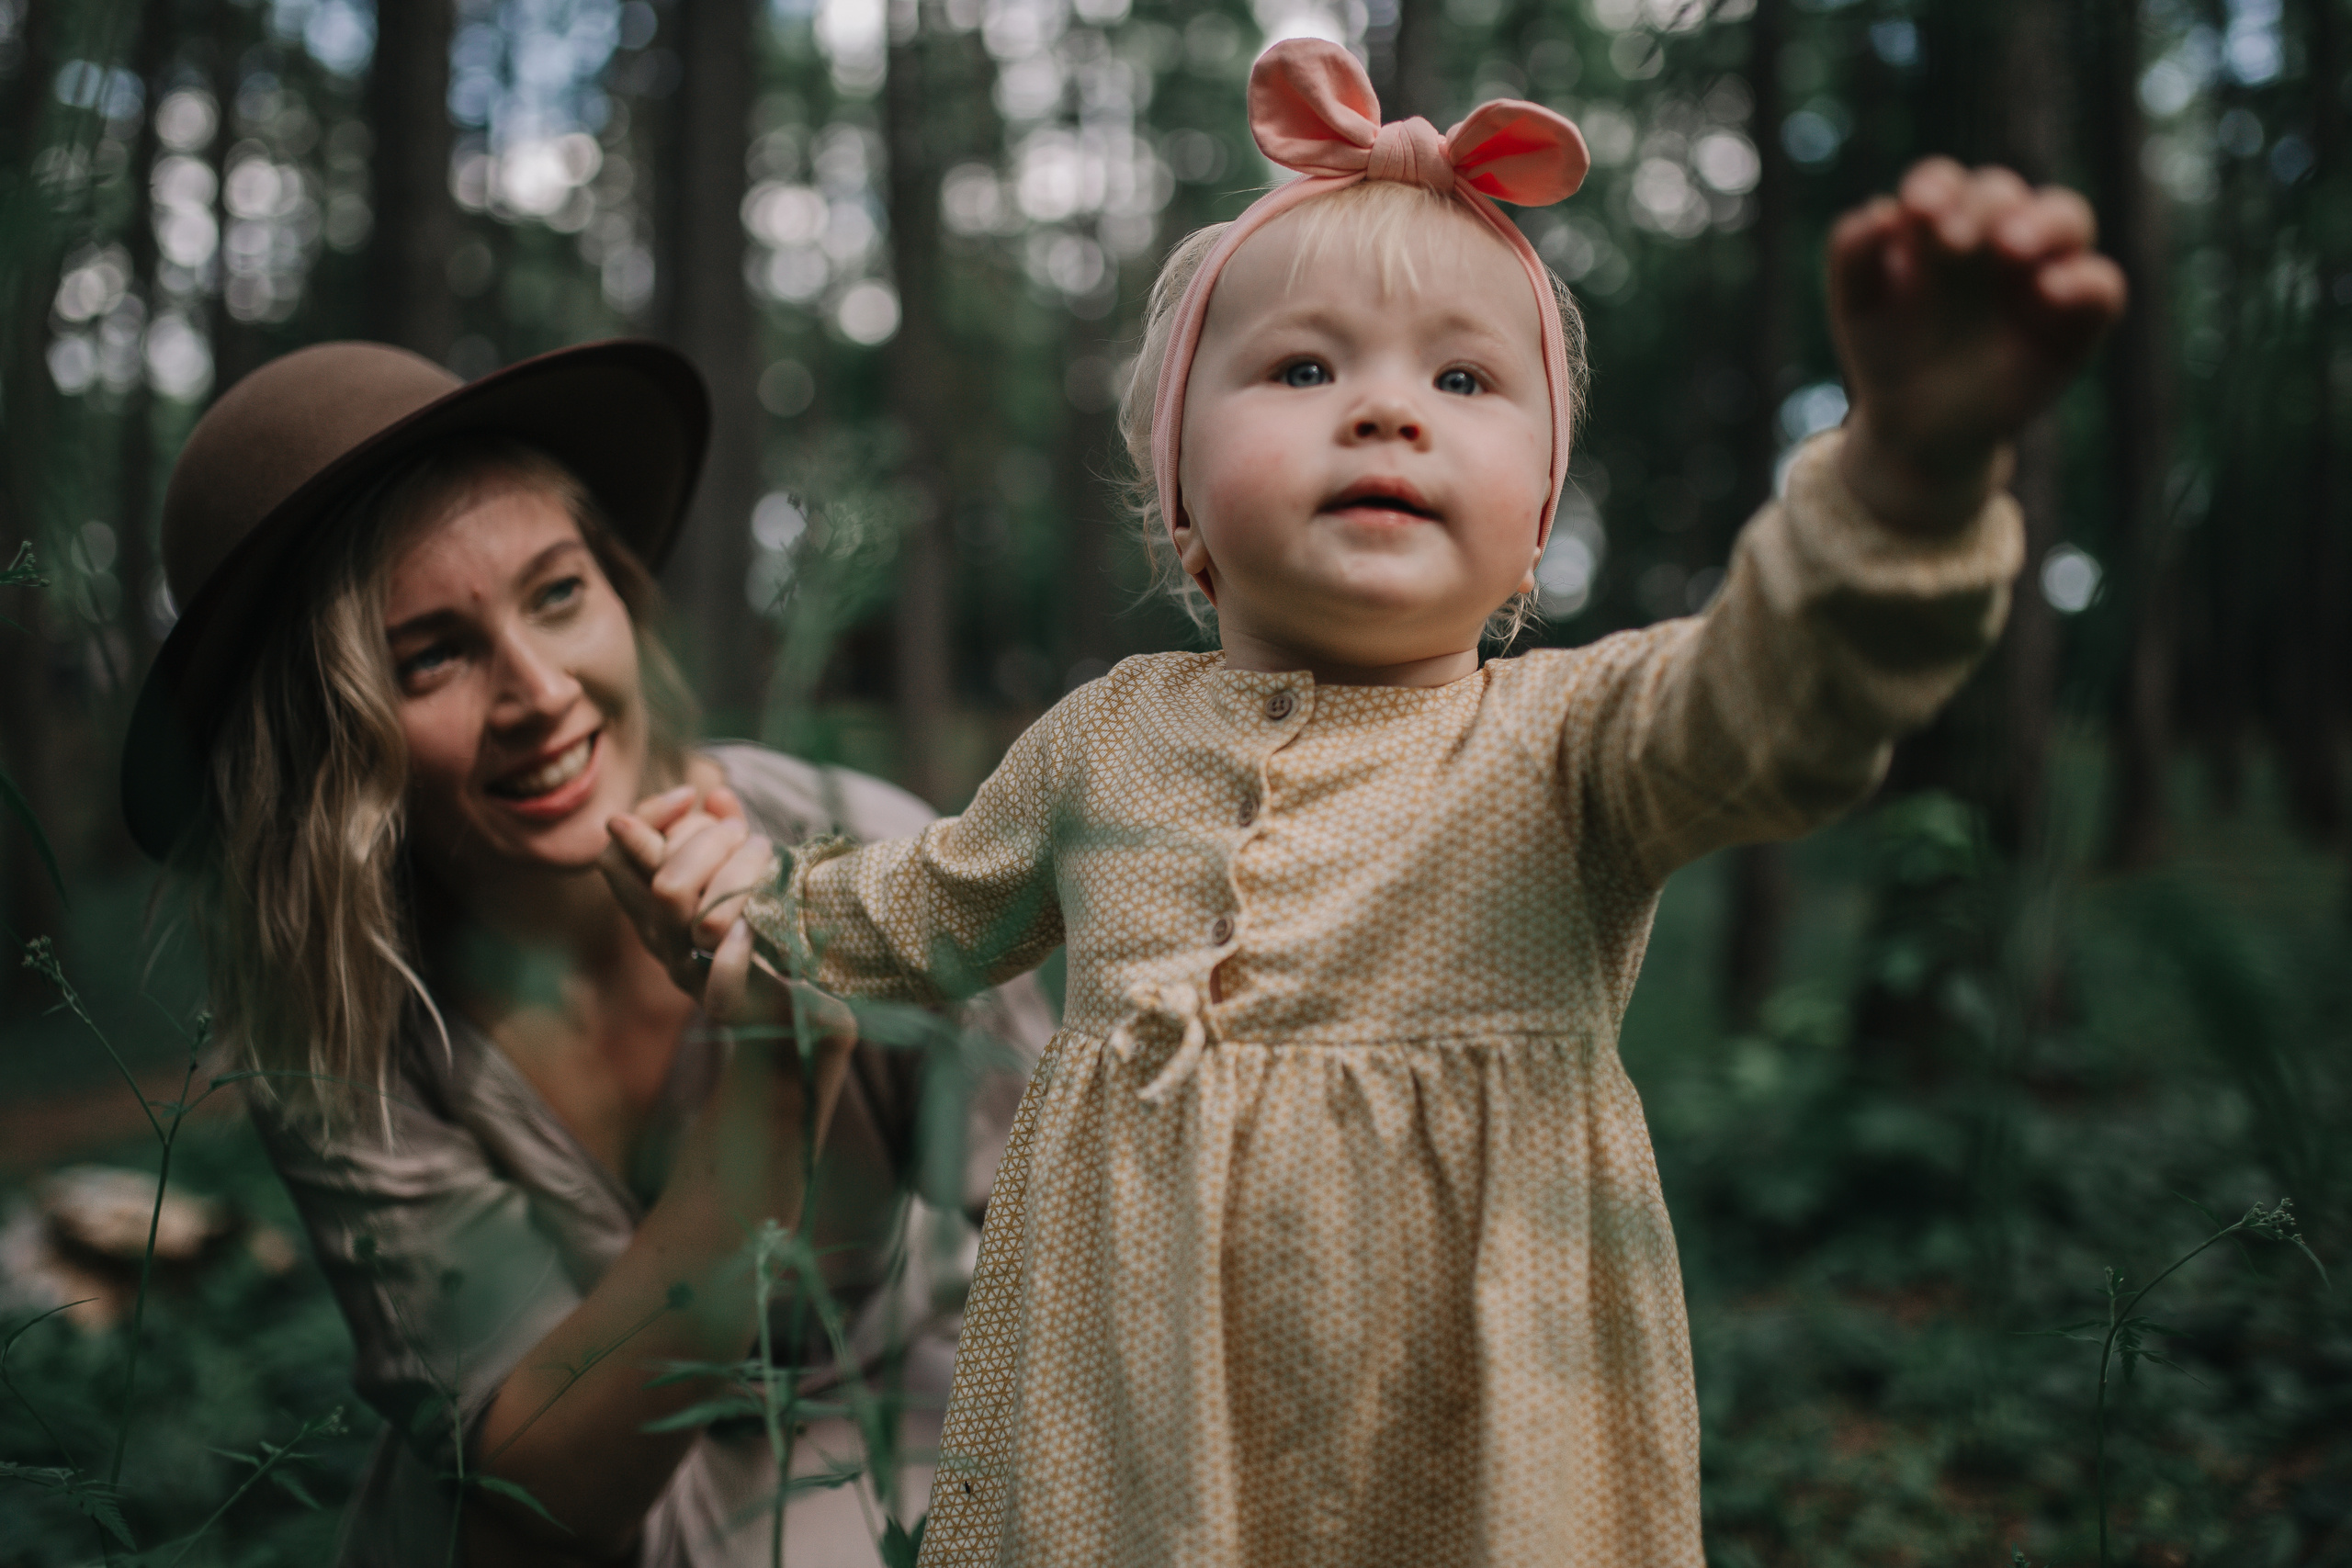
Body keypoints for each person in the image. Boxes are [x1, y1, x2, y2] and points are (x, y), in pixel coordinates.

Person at [614, 39, 2128, 1567]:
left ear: (1537, 528)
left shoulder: (1570, 744)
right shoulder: (1103, 739)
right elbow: (922, 905)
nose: (1387, 412)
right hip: (1134, 1435)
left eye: (1463, 378)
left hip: (1470, 1444)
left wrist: (1902, 492)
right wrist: (742, 899)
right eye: (1304, 367)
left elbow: (1776, 704)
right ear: (1183, 500)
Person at [119, 339, 1053, 1565]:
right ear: (324, 743)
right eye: (432, 657)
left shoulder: (854, 850)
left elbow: (1077, 1243)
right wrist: (764, 1112)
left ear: (618, 589)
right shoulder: (344, 1028)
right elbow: (542, 1484)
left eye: (557, 594)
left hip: (893, 1431)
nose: (539, 691)